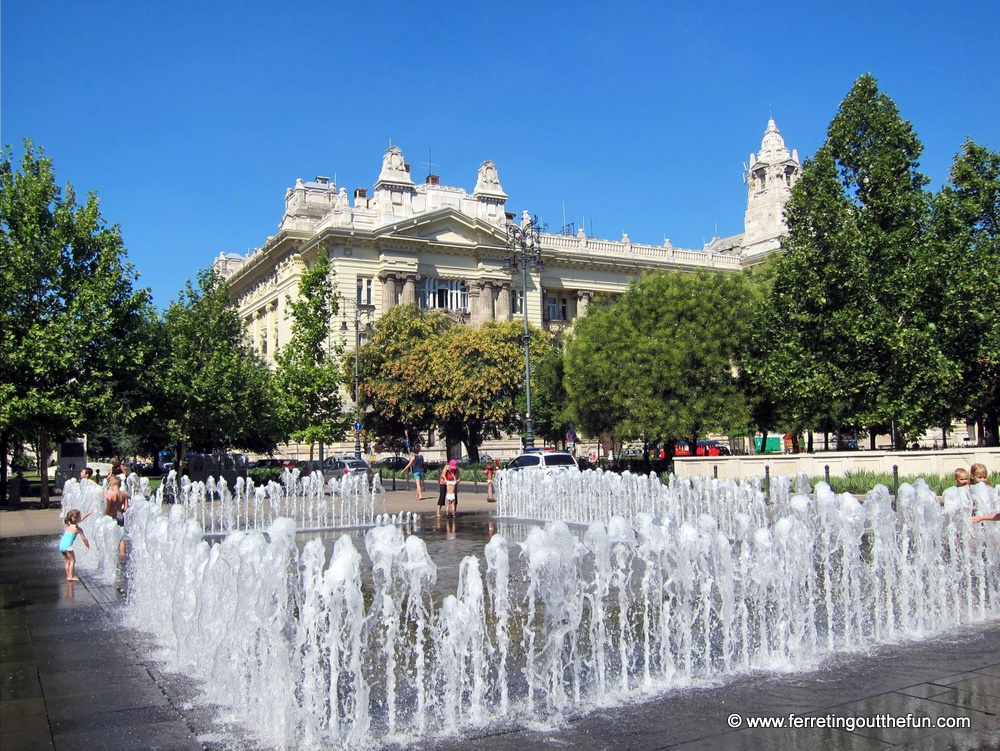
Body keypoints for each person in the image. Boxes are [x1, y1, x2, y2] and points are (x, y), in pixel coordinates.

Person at [59, 508, 92, 581]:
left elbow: (80, 519)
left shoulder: (69, 524)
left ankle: (68, 575)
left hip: (61, 546)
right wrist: (87, 546)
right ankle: (71, 576)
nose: (80, 518)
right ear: (76, 518)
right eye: (79, 517)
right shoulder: (77, 529)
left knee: (68, 561)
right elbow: (84, 539)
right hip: (68, 547)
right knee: (72, 561)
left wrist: (88, 513)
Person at [105, 475, 129, 562]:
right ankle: (122, 556)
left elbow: (108, 509)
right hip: (120, 516)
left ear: (112, 484)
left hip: (112, 517)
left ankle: (111, 556)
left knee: (110, 535)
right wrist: (120, 511)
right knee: (121, 537)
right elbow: (126, 508)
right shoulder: (124, 495)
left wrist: (104, 515)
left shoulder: (110, 496)